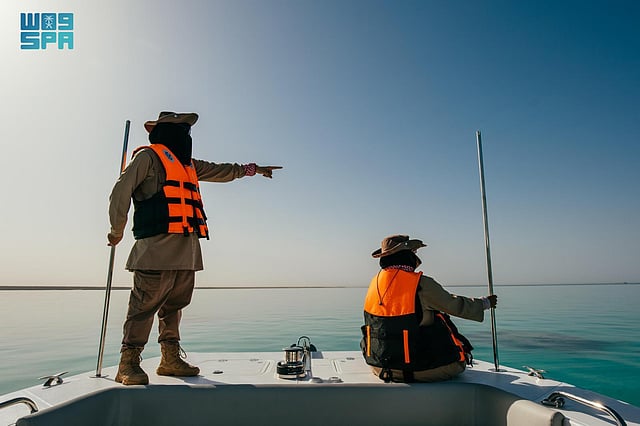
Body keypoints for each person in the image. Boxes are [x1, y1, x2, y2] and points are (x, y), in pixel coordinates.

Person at [107, 111, 282, 385]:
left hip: (187, 253)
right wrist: (116, 230)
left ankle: (169, 359)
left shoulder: (189, 164)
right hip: (155, 252)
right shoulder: (148, 158)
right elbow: (121, 191)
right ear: (168, 132)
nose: (187, 136)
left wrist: (255, 169)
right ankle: (127, 363)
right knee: (143, 308)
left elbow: (223, 170)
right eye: (183, 130)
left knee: (174, 308)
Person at [361, 234, 497, 382]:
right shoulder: (421, 284)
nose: (415, 255)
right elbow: (455, 306)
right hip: (412, 369)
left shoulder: (374, 284)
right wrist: (485, 303)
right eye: (413, 252)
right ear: (406, 255)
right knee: (459, 362)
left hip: (378, 366)